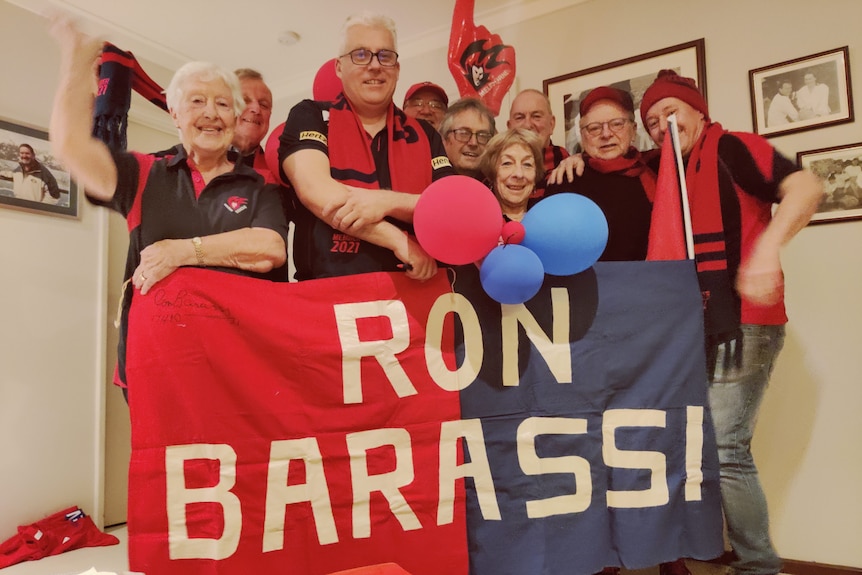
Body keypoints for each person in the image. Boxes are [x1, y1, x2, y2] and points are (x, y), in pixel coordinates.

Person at [640, 69, 822, 575]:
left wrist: (766, 249)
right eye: (651, 122)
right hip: (696, 327)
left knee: (725, 445)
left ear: (698, 110)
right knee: (699, 442)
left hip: (746, 321)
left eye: (670, 113)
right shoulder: (668, 172)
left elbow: (805, 187)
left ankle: (760, 566)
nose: (661, 127)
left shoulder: (734, 147)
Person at [49, 17, 289, 393]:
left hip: (239, 370)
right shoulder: (144, 172)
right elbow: (71, 149)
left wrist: (181, 251)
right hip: (156, 372)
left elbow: (269, 249)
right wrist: (75, 63)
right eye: (197, 101)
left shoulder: (260, 185)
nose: (211, 113)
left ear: (234, 116)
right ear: (175, 114)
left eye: (223, 104)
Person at [278, 11, 454, 281]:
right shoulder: (310, 116)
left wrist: (385, 201)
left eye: (385, 56)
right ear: (339, 67)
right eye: (360, 55)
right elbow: (316, 192)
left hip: (415, 296)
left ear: (396, 68)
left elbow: (451, 208)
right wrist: (398, 240)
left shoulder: (426, 134)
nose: (375, 66)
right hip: (326, 297)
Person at [546, 86, 654, 261]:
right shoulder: (566, 179)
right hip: (588, 286)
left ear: (633, 130)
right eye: (594, 128)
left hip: (654, 282)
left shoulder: (656, 170)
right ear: (582, 135)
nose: (606, 134)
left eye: (617, 124)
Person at [479, 128, 544, 222]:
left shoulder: (546, 218)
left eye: (527, 164)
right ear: (491, 173)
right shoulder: (478, 219)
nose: (519, 174)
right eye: (507, 163)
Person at [439, 97, 496, 180]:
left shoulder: (497, 186)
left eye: (482, 135)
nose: (473, 143)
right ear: (444, 138)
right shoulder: (426, 182)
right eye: (464, 133)